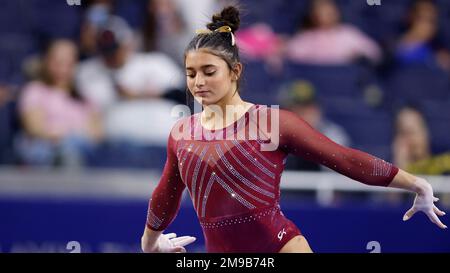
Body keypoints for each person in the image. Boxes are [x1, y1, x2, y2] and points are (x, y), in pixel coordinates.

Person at [141, 6, 447, 253]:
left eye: (209, 72)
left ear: (235, 71)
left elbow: (343, 159)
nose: (199, 82)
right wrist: (151, 243)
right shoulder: (183, 133)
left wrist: (415, 183)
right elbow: (166, 194)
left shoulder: (271, 123)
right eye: (191, 73)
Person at [17, 39, 103, 168]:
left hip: (83, 152)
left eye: (68, 63)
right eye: (57, 62)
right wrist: (69, 136)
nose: (62, 68)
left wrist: (73, 137)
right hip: (46, 153)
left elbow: (97, 133)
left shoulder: (85, 96)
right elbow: (35, 128)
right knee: (66, 153)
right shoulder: (35, 90)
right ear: (47, 62)